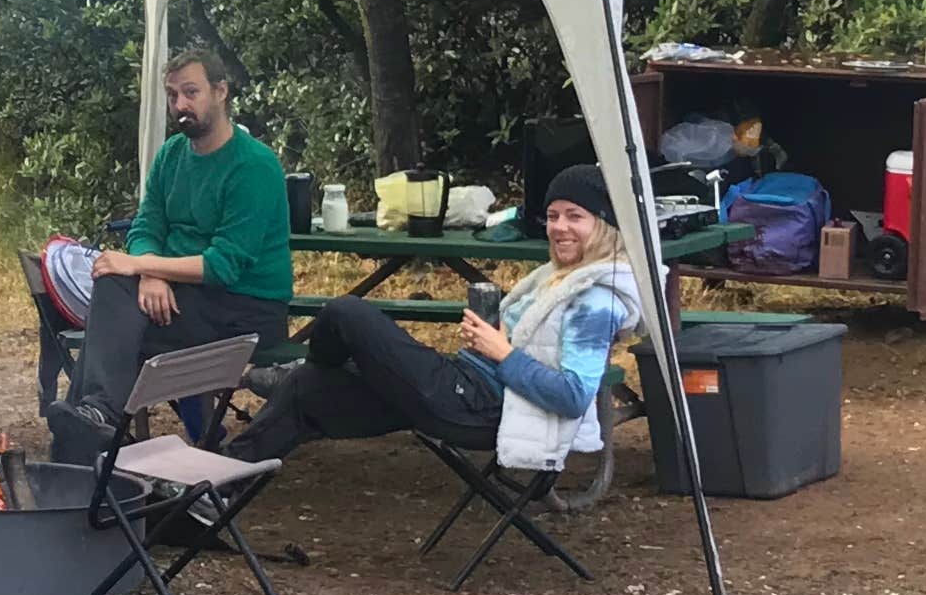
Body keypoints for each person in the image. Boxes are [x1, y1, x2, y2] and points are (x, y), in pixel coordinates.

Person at [229, 162, 639, 473]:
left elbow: (572, 398)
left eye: (574, 216)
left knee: (345, 312)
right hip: (467, 383)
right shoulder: (558, 276)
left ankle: (317, 362)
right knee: (306, 389)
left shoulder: (596, 301)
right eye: (552, 216)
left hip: (479, 405)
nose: (559, 227)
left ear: (603, 225)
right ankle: (208, 494)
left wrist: (502, 352)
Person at [42, 46, 295, 463]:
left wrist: (141, 265)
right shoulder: (172, 155)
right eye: (173, 95)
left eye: (191, 93)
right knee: (114, 301)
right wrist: (151, 275)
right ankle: (89, 427)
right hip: (181, 300)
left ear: (220, 92)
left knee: (113, 316)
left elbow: (222, 265)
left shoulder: (255, 166)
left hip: (245, 310)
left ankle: (84, 436)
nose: (181, 105)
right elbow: (146, 228)